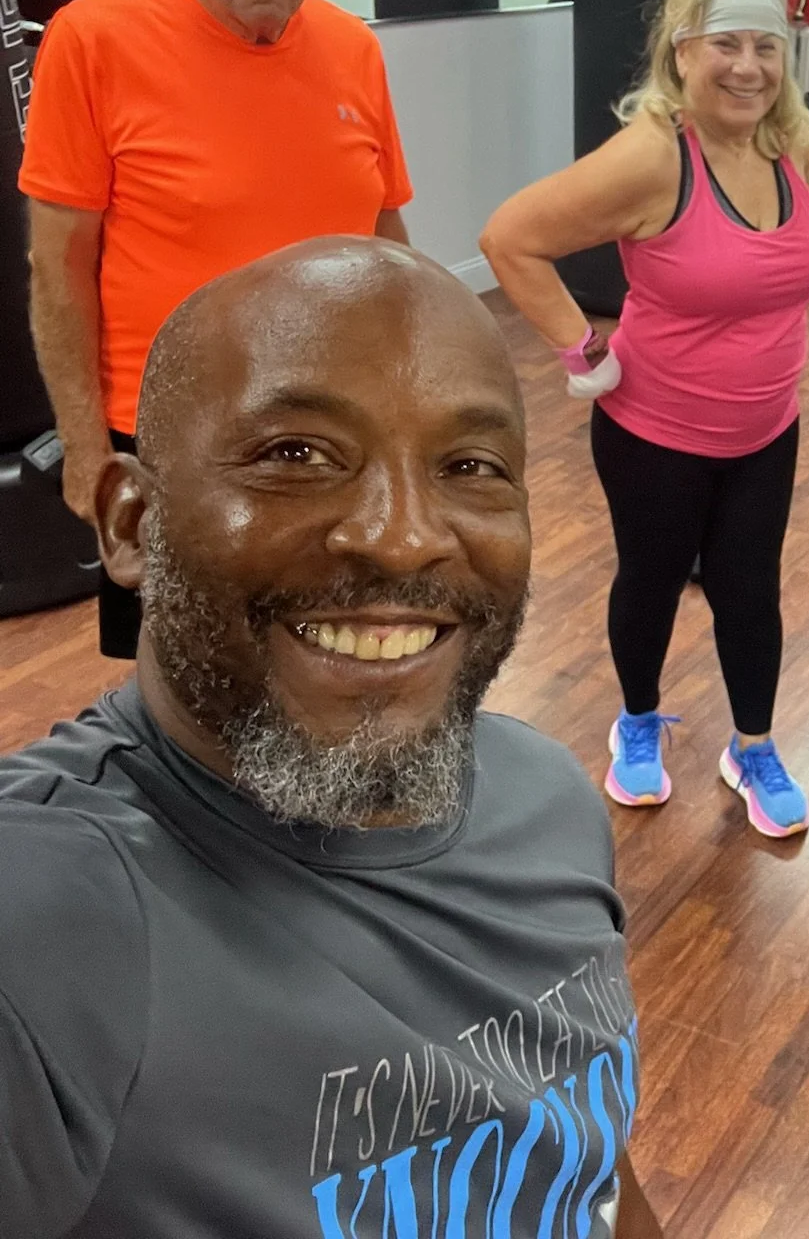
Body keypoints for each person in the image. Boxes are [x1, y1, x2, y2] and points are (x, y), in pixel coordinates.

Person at [0, 239, 661, 1238]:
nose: (400, 536)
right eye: (295, 455)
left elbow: (572, 1157)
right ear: (131, 524)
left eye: (469, 465)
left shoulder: (549, 798)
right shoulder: (49, 928)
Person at [20, 0, 412, 662]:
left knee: (322, 654)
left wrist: (409, 406)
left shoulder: (354, 49)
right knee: (184, 679)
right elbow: (59, 270)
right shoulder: (92, 42)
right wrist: (88, 451)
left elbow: (388, 243)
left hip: (331, 431)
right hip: (169, 437)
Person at [479, 0, 809, 835]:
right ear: (683, 53)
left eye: (764, 47)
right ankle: (636, 725)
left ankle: (752, 747)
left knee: (753, 591)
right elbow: (510, 239)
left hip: (766, 429)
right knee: (653, 577)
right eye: (725, 45)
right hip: (655, 432)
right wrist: (580, 351)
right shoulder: (654, 153)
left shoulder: (793, 143)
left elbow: (780, 279)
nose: (747, 68)